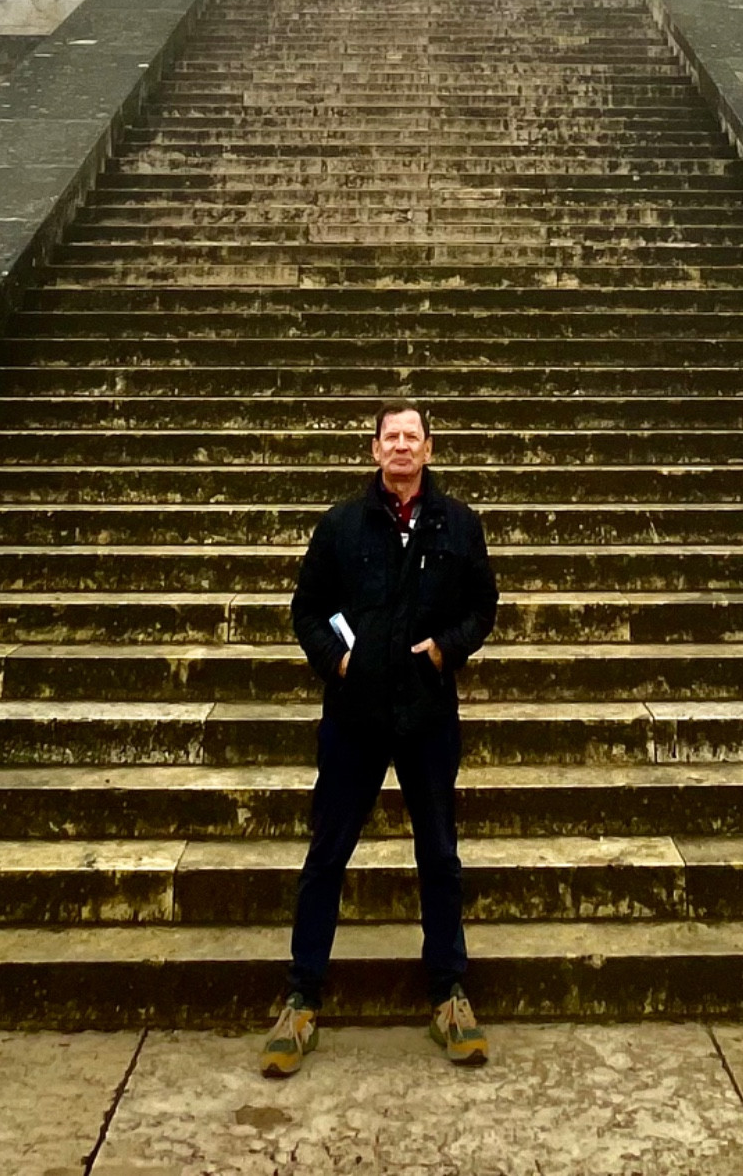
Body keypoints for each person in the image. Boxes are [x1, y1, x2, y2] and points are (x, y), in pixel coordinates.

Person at [261, 401, 499, 1077]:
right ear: (373, 450)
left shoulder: (459, 524)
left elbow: (483, 606)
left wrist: (443, 652)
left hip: (426, 709)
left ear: (428, 448)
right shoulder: (341, 525)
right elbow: (307, 608)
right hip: (355, 710)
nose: (401, 446)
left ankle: (449, 994)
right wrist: (337, 661)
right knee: (327, 853)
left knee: (440, 854)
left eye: (411, 437)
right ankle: (302, 997)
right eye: (390, 436)